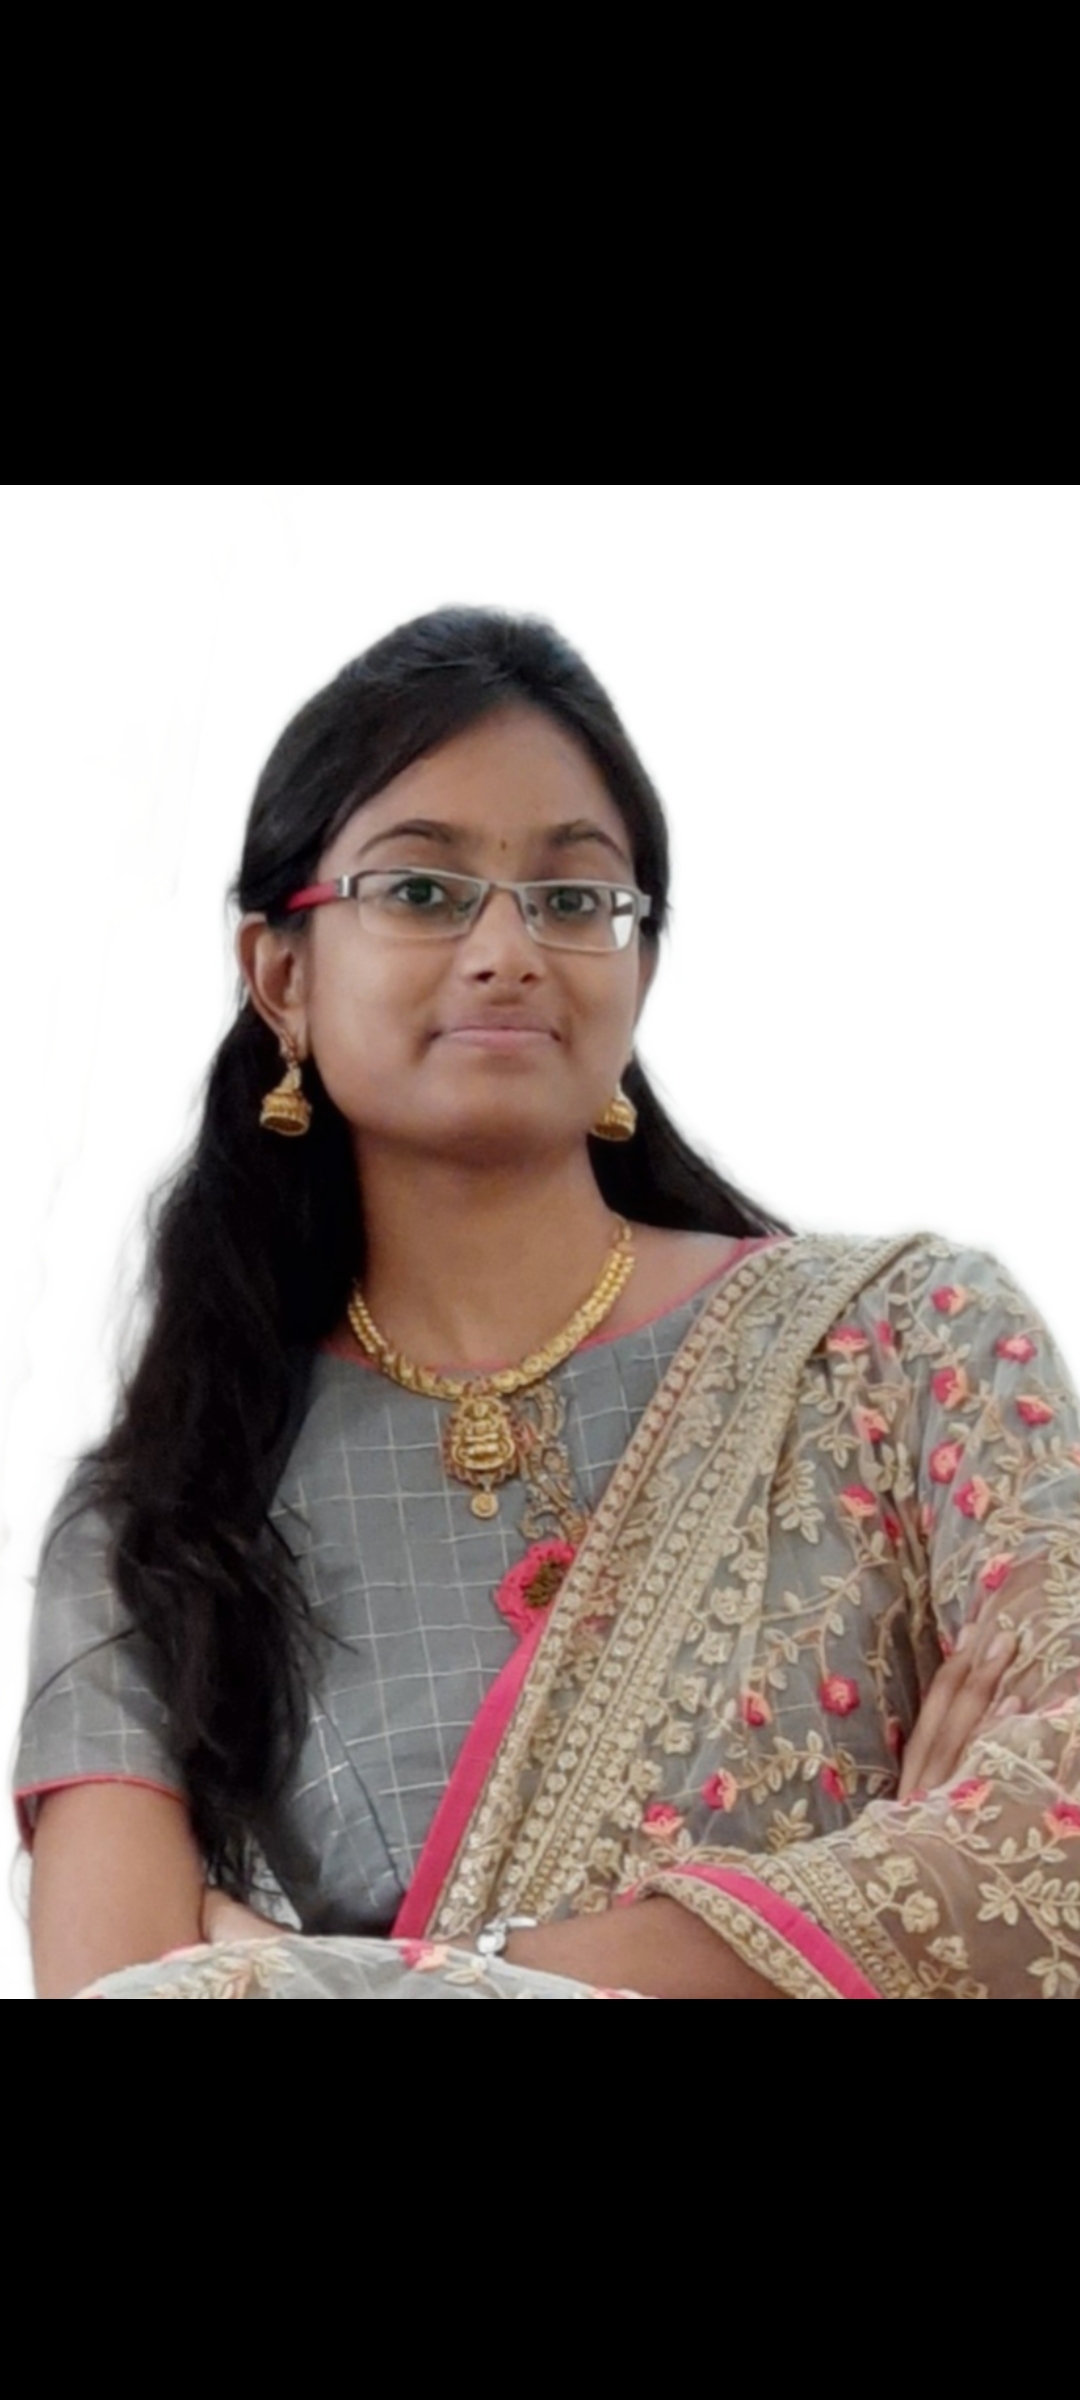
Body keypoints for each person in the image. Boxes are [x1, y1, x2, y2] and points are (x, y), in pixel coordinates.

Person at [15, 609, 1080, 2001]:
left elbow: (1056, 1849)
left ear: (639, 968)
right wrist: (873, 1912)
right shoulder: (163, 1518)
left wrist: (370, 1976)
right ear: (281, 975)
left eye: (575, 900)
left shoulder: (906, 1344)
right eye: (422, 890)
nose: (508, 948)